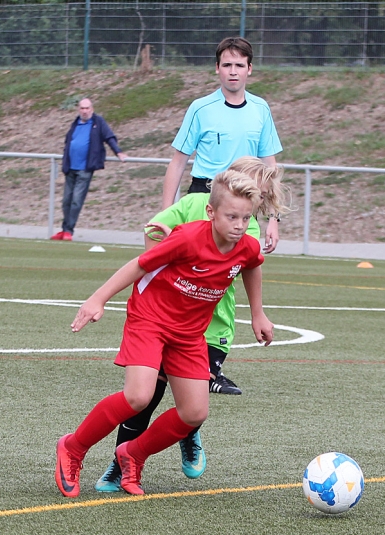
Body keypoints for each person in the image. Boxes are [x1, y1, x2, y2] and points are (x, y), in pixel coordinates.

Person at [55, 170, 273, 498]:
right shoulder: (187, 238)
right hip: (150, 319)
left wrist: (258, 313)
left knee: (194, 413)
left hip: (189, 333)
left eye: (246, 218)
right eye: (231, 217)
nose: (240, 225)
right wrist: (98, 298)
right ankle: (73, 447)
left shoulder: (246, 247)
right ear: (211, 212)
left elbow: (253, 264)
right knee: (138, 397)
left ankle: (133, 454)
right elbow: (140, 264)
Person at [161, 35, 282, 390]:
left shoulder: (261, 109)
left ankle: (211, 366)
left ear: (250, 69)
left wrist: (273, 219)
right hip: (205, 201)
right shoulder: (201, 108)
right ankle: (179, 354)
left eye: (239, 65)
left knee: (233, 276)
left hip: (247, 207)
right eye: (226, 65)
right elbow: (178, 162)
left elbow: (270, 167)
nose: (233, 71)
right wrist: (168, 214)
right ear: (217, 69)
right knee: (196, 280)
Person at [51, 98, 126, 241]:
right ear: (78, 109)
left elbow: (109, 137)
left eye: (87, 108)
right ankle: (64, 229)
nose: (84, 111)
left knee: (76, 201)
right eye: (82, 108)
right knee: (66, 201)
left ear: (92, 109)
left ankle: (69, 231)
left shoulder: (98, 122)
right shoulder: (75, 123)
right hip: (70, 168)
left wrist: (118, 152)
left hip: (85, 169)